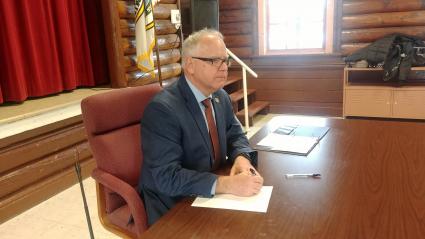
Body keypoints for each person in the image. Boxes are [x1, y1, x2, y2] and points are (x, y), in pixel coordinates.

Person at [137, 28, 264, 226]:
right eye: (214, 61)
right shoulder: (162, 109)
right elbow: (166, 177)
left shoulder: (220, 96)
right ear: (190, 65)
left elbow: (235, 133)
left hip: (209, 191)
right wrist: (225, 184)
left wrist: (241, 158)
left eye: (225, 60)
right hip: (174, 202)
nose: (224, 67)